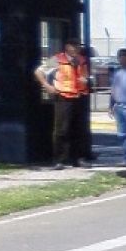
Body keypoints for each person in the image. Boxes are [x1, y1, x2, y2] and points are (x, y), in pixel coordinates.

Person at [35, 38, 91, 167]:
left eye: (78, 46)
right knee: (62, 129)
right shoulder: (57, 59)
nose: (76, 48)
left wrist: (86, 80)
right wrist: (47, 86)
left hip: (79, 96)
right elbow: (38, 72)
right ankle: (59, 159)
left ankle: (78, 158)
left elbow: (85, 76)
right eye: (73, 46)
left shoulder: (82, 60)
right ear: (67, 47)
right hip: (64, 97)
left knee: (79, 128)